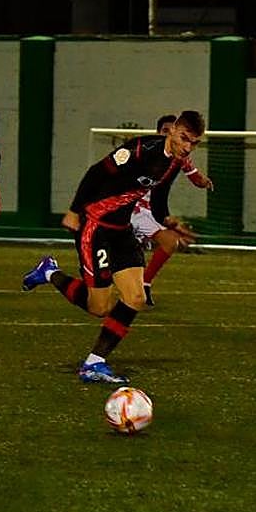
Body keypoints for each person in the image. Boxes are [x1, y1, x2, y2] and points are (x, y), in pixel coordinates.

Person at [22, 110, 213, 384]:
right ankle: (50, 272)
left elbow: (158, 201)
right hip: (95, 226)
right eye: (184, 138)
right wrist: (74, 211)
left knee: (135, 297)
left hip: (122, 230)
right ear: (172, 130)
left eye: (194, 143)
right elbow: (95, 173)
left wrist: (170, 222)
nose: (187, 147)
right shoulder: (139, 150)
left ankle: (94, 363)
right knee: (98, 307)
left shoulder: (175, 162)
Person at [129, 113, 201, 307]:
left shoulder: (178, 158)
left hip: (149, 211)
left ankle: (143, 284)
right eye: (165, 131)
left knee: (169, 243)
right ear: (158, 132)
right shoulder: (147, 152)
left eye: (172, 131)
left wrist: (203, 181)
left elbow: (191, 174)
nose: (168, 134)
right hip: (131, 208)